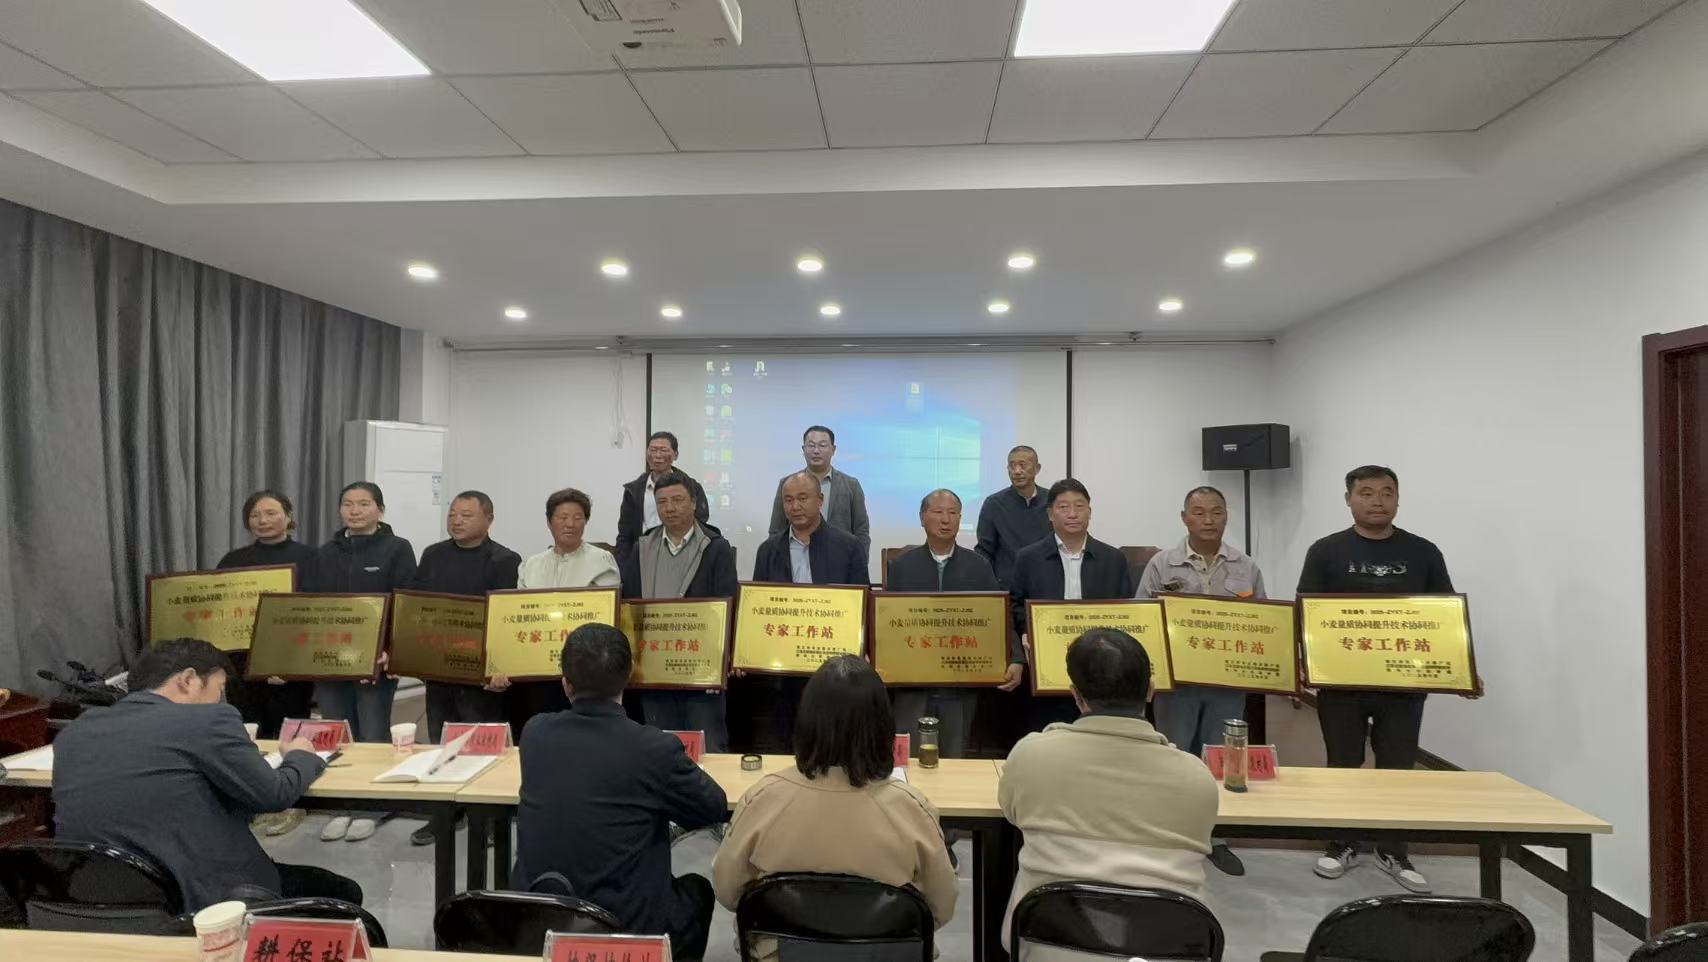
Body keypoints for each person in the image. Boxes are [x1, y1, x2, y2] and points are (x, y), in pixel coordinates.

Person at [52, 638, 362, 910]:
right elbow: (274, 794)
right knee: (342, 892)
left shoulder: (76, 733)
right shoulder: (205, 719)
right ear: (188, 680)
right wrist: (301, 755)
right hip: (204, 898)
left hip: (102, 901)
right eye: (219, 690)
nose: (220, 700)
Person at [713, 656, 957, 962]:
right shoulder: (912, 809)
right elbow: (942, 907)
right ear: (883, 726)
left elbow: (726, 890)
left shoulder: (763, 799)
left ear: (806, 722)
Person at [515, 623, 726, 961]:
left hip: (542, 924)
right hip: (629, 933)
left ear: (565, 683)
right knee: (697, 890)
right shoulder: (653, 748)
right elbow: (713, 806)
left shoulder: (534, 734)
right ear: (629, 676)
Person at [999, 628, 1217, 953]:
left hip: (1050, 945)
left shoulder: (1031, 756)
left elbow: (1012, 813)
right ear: (1151, 690)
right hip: (1165, 949)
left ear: (1076, 695)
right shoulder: (1197, 777)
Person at [1297, 465, 1457, 894]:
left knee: (1397, 769)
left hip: (1403, 685)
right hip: (1341, 684)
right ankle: (1342, 843)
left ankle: (1393, 849)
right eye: (1366, 493)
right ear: (1348, 500)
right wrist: (1304, 663)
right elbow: (1306, 611)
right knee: (1342, 765)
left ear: (1398, 500)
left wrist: (1460, 668)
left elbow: (1444, 615)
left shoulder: (1423, 552)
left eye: (1387, 492)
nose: (1377, 501)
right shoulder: (1325, 551)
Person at [1136, 485, 1267, 877]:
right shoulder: (1162, 564)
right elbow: (1142, 620)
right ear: (1184, 518)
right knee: (1175, 758)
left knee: (1220, 759)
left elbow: (1264, 623)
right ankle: (1171, 835)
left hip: (1227, 685)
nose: (1208, 520)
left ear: (1226, 516)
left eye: (1216, 512)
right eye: (1199, 512)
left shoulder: (1246, 566)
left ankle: (1215, 837)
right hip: (1176, 685)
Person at [407, 490, 520, 845]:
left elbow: (506, 619)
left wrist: (497, 666)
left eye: (466, 515)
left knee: (483, 744)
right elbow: (417, 607)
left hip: (480, 674)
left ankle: (488, 817)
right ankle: (446, 812)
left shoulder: (505, 560)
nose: (456, 520)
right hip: (439, 668)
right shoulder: (433, 555)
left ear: (489, 519)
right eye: (453, 514)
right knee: (441, 739)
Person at [306, 480, 417, 843]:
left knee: (372, 733)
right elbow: (311, 605)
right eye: (348, 504)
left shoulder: (397, 549)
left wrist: (391, 651)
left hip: (376, 661)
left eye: (364, 504)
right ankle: (342, 804)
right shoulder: (324, 553)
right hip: (331, 658)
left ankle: (372, 806)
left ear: (380, 510)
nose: (355, 511)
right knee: (337, 733)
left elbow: (405, 602)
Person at [216, 489, 318, 839]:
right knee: (250, 733)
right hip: (244, 666)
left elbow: (316, 610)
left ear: (288, 516)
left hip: (293, 662)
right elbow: (222, 613)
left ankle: (292, 800)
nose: (263, 521)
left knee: (290, 732)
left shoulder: (311, 558)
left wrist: (285, 661)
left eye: (272, 513)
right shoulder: (233, 560)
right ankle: (255, 799)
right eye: (256, 515)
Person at [885, 488, 1012, 759]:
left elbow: (998, 618)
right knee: (906, 758)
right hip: (911, 684)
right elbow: (886, 624)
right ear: (922, 517)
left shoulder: (979, 566)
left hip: (959, 682)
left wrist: (1016, 659)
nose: (946, 519)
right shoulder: (902, 566)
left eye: (953, 513)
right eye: (938, 512)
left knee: (955, 757)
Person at [618, 470, 739, 752]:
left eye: (677, 500)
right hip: (655, 670)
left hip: (701, 671)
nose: (670, 508)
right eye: (662, 502)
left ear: (693, 503)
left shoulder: (716, 547)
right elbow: (630, 606)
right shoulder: (642, 547)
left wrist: (718, 664)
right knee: (661, 748)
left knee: (707, 748)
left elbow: (727, 606)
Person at [751, 471, 870, 746]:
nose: (795, 506)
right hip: (784, 670)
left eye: (803, 498)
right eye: (788, 500)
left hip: (835, 667)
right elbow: (757, 610)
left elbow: (862, 607)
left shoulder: (849, 547)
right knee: (787, 742)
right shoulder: (768, 550)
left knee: (835, 742)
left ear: (820, 500)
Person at [1008, 478, 1135, 731]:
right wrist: (1025, 636)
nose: (1073, 514)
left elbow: (1126, 612)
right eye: (1064, 507)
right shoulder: (1028, 558)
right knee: (1049, 735)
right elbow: (1015, 607)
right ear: (1050, 514)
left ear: (1090, 511)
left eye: (1080, 506)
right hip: (1044, 666)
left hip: (1101, 668)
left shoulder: (1113, 559)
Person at [502, 488, 621, 737]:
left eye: (578, 517)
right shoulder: (531, 564)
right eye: (562, 517)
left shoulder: (602, 560)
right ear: (549, 522)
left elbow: (605, 615)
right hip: (538, 668)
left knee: (583, 736)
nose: (570, 524)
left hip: (584, 669)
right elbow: (519, 619)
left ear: (586, 522)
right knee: (543, 731)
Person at [767, 425, 870, 558]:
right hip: (797, 561)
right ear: (803, 449)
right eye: (811, 445)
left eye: (822, 445)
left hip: (840, 561)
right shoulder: (786, 484)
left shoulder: (851, 485)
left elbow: (861, 531)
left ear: (833, 449)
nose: (816, 451)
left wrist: (859, 562)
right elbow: (776, 530)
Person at [615, 431, 711, 559]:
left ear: (675, 454)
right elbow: (625, 534)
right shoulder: (633, 490)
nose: (657, 455)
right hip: (643, 556)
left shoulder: (692, 487)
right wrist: (623, 564)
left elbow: (701, 521)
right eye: (653, 450)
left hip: (682, 554)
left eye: (663, 450)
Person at [975, 444, 1052, 587]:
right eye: (1012, 466)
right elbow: (984, 550)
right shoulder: (994, 504)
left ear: (1037, 468)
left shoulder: (1052, 501)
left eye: (1023, 465)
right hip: (1006, 587)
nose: (1017, 471)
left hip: (1046, 584)